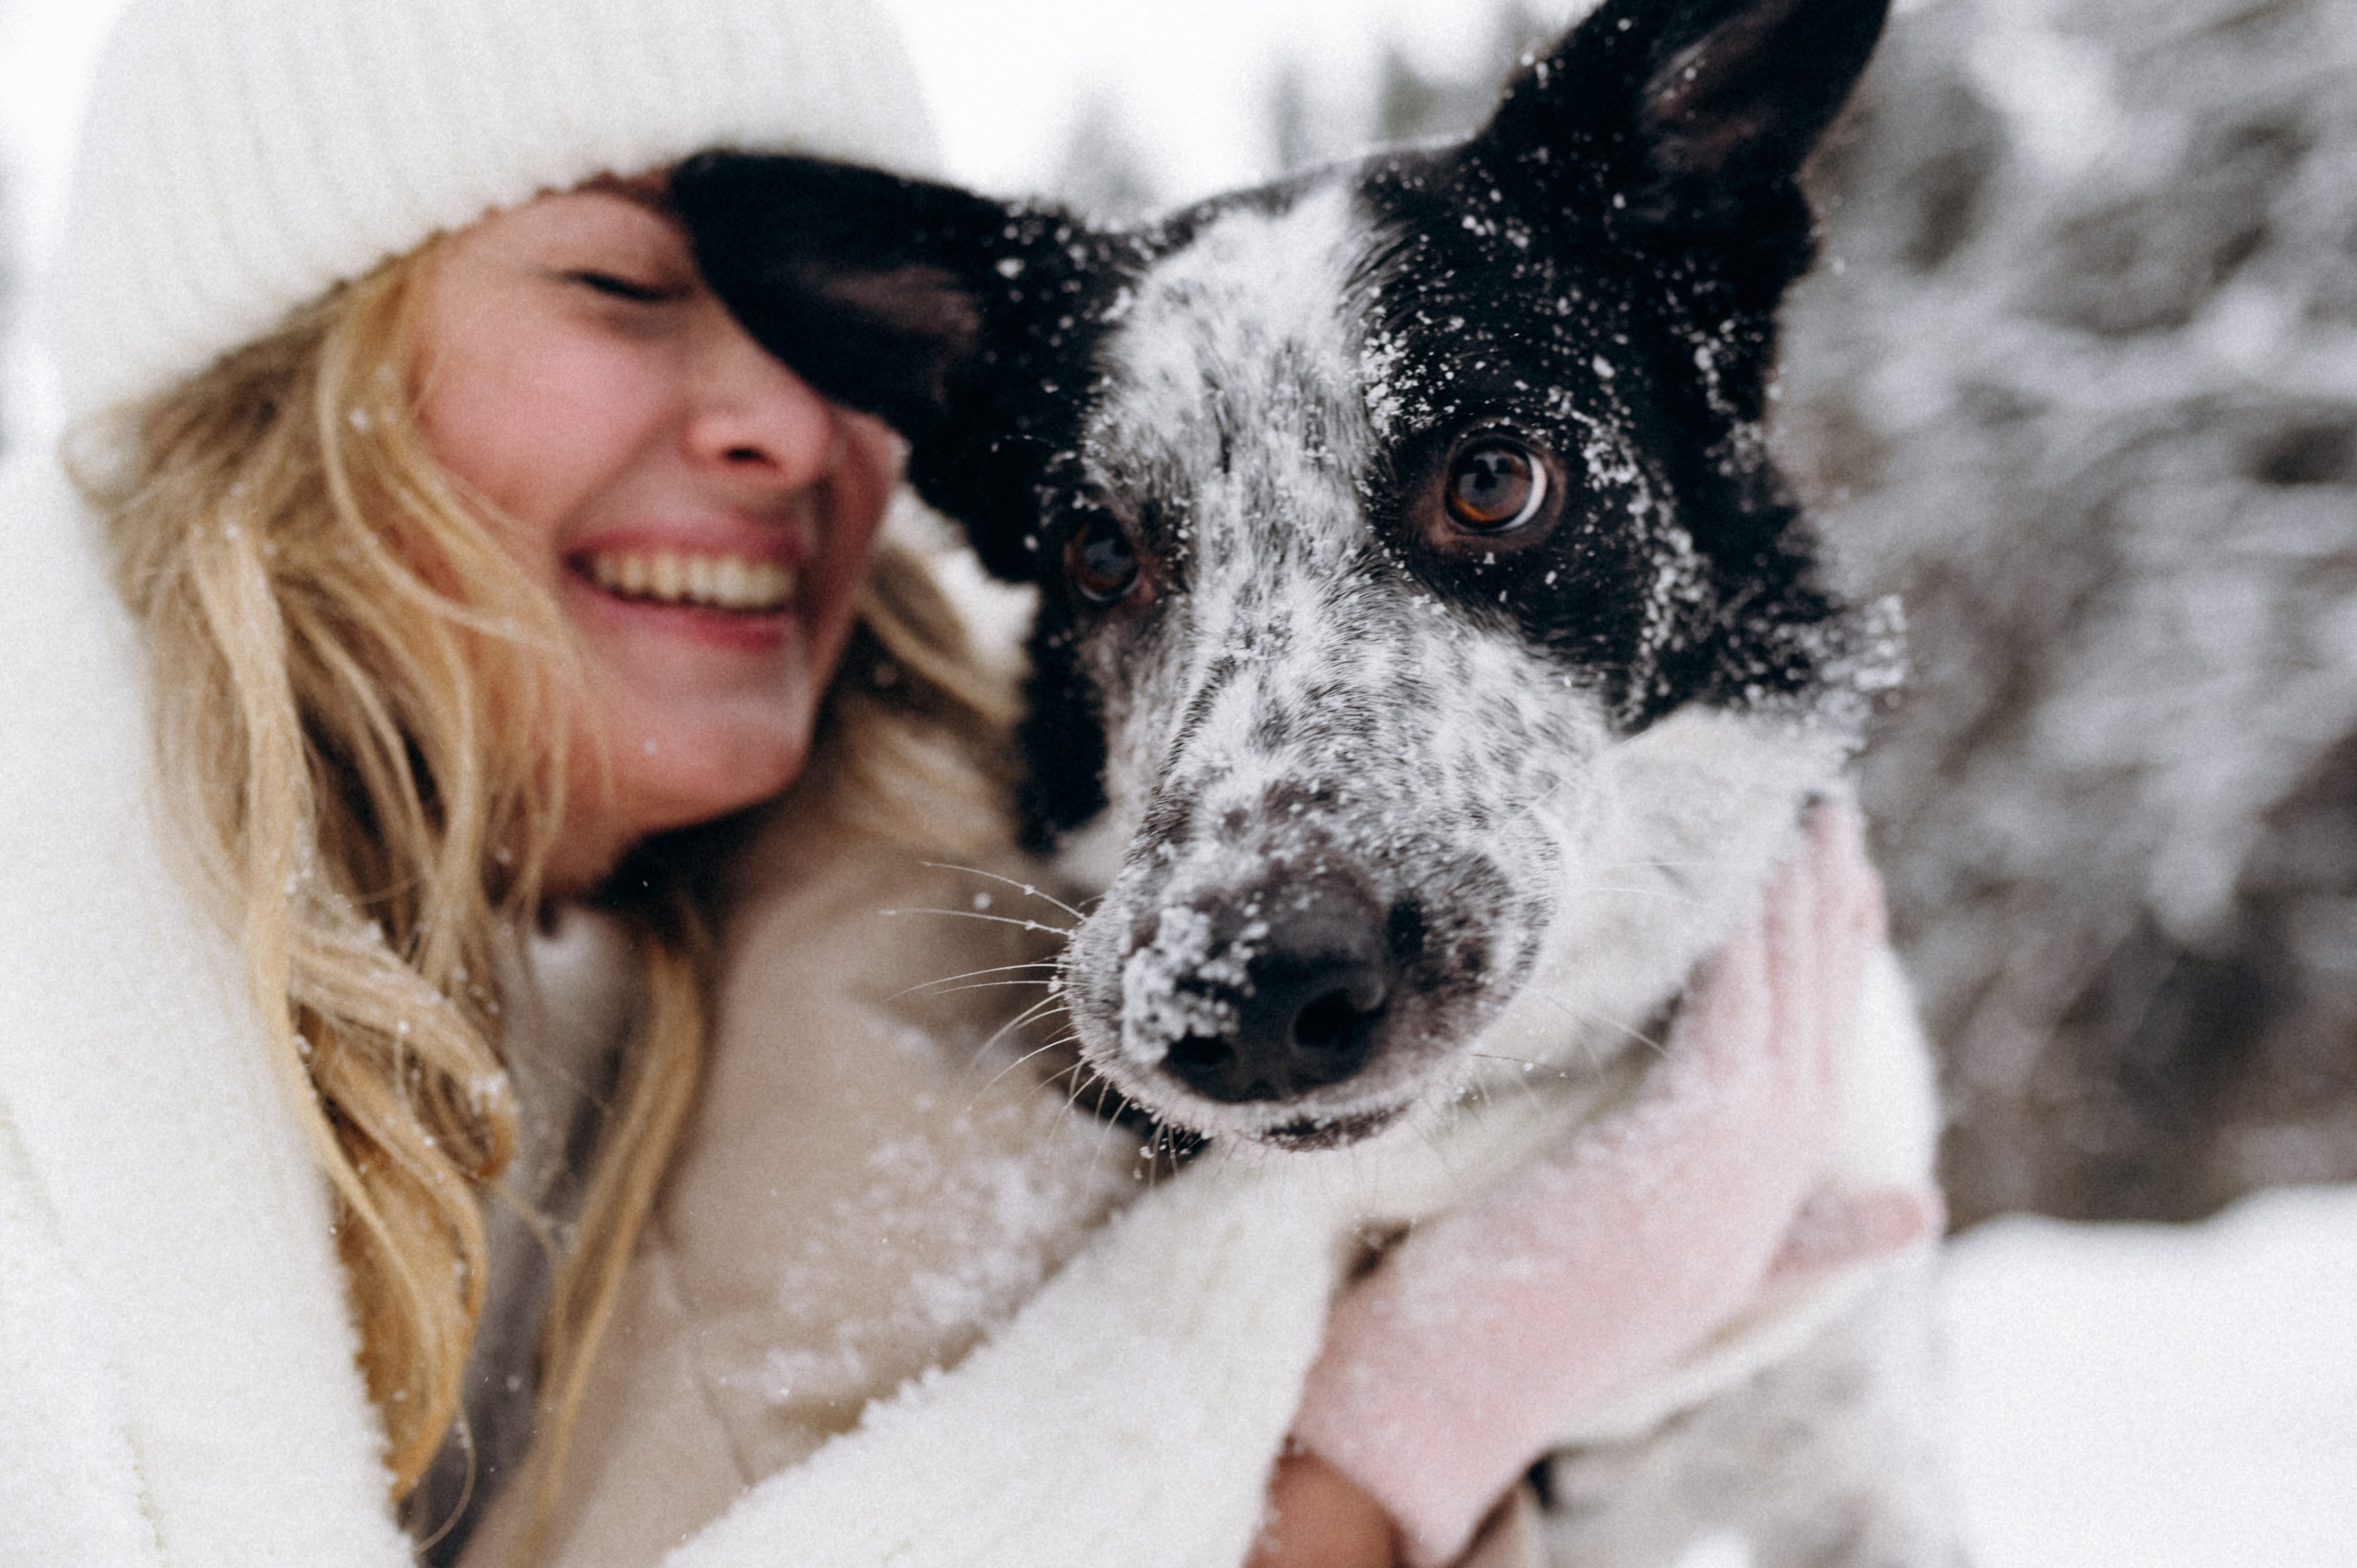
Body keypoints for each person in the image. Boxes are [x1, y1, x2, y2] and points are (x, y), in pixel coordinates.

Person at [0, 0, 1941, 1564]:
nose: (783, 415)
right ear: (275, 382)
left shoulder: (793, 952)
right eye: (613, 286)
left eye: (1481, 486)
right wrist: (1380, 1455)